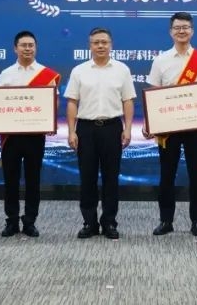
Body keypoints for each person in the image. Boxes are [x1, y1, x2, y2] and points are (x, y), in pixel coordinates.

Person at [145, 11, 197, 237]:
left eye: (185, 27)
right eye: (177, 27)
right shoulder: (161, 60)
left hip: (195, 126)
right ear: (171, 32)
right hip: (168, 128)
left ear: (192, 31)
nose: (181, 31)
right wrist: (150, 123)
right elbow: (153, 94)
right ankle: (166, 220)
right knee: (167, 174)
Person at [65, 27, 136, 240]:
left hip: (112, 128)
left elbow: (128, 101)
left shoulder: (122, 70)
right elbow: (72, 102)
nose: (100, 46)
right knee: (87, 177)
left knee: (111, 177)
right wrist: (71, 131)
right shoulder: (79, 71)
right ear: (90, 46)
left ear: (111, 45)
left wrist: (128, 128)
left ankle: (109, 222)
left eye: (104, 42)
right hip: (85, 129)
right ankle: (89, 222)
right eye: (96, 42)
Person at [0, 31, 60, 238]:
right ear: (15, 48)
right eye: (23, 45)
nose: (27, 49)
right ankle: (12, 221)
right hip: (11, 136)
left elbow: (53, 104)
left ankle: (30, 221)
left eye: (31, 45)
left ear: (36, 48)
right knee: (11, 180)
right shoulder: (6, 74)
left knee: (33, 180)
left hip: (35, 135)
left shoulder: (46, 74)